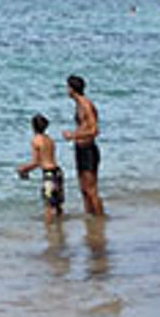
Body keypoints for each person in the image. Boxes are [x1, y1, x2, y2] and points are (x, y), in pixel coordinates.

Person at [62, 74, 106, 217]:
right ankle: (91, 222)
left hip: (88, 150)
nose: (66, 90)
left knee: (91, 190)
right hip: (81, 149)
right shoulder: (79, 104)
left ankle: (100, 219)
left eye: (68, 87)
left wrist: (73, 135)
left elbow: (95, 130)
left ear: (72, 89)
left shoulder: (86, 105)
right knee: (83, 189)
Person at [17, 114, 65, 224]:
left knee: (48, 206)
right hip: (57, 172)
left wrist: (24, 169)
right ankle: (60, 228)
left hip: (48, 175)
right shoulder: (50, 139)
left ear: (33, 127)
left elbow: (37, 162)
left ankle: (48, 230)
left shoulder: (36, 140)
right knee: (58, 205)